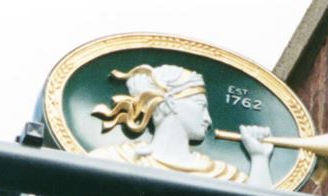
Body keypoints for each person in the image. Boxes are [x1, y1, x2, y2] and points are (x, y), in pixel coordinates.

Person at [89, 63, 274, 186]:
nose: (208, 119)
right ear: (171, 102)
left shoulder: (222, 175)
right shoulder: (114, 159)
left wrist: (259, 157)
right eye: (201, 107)